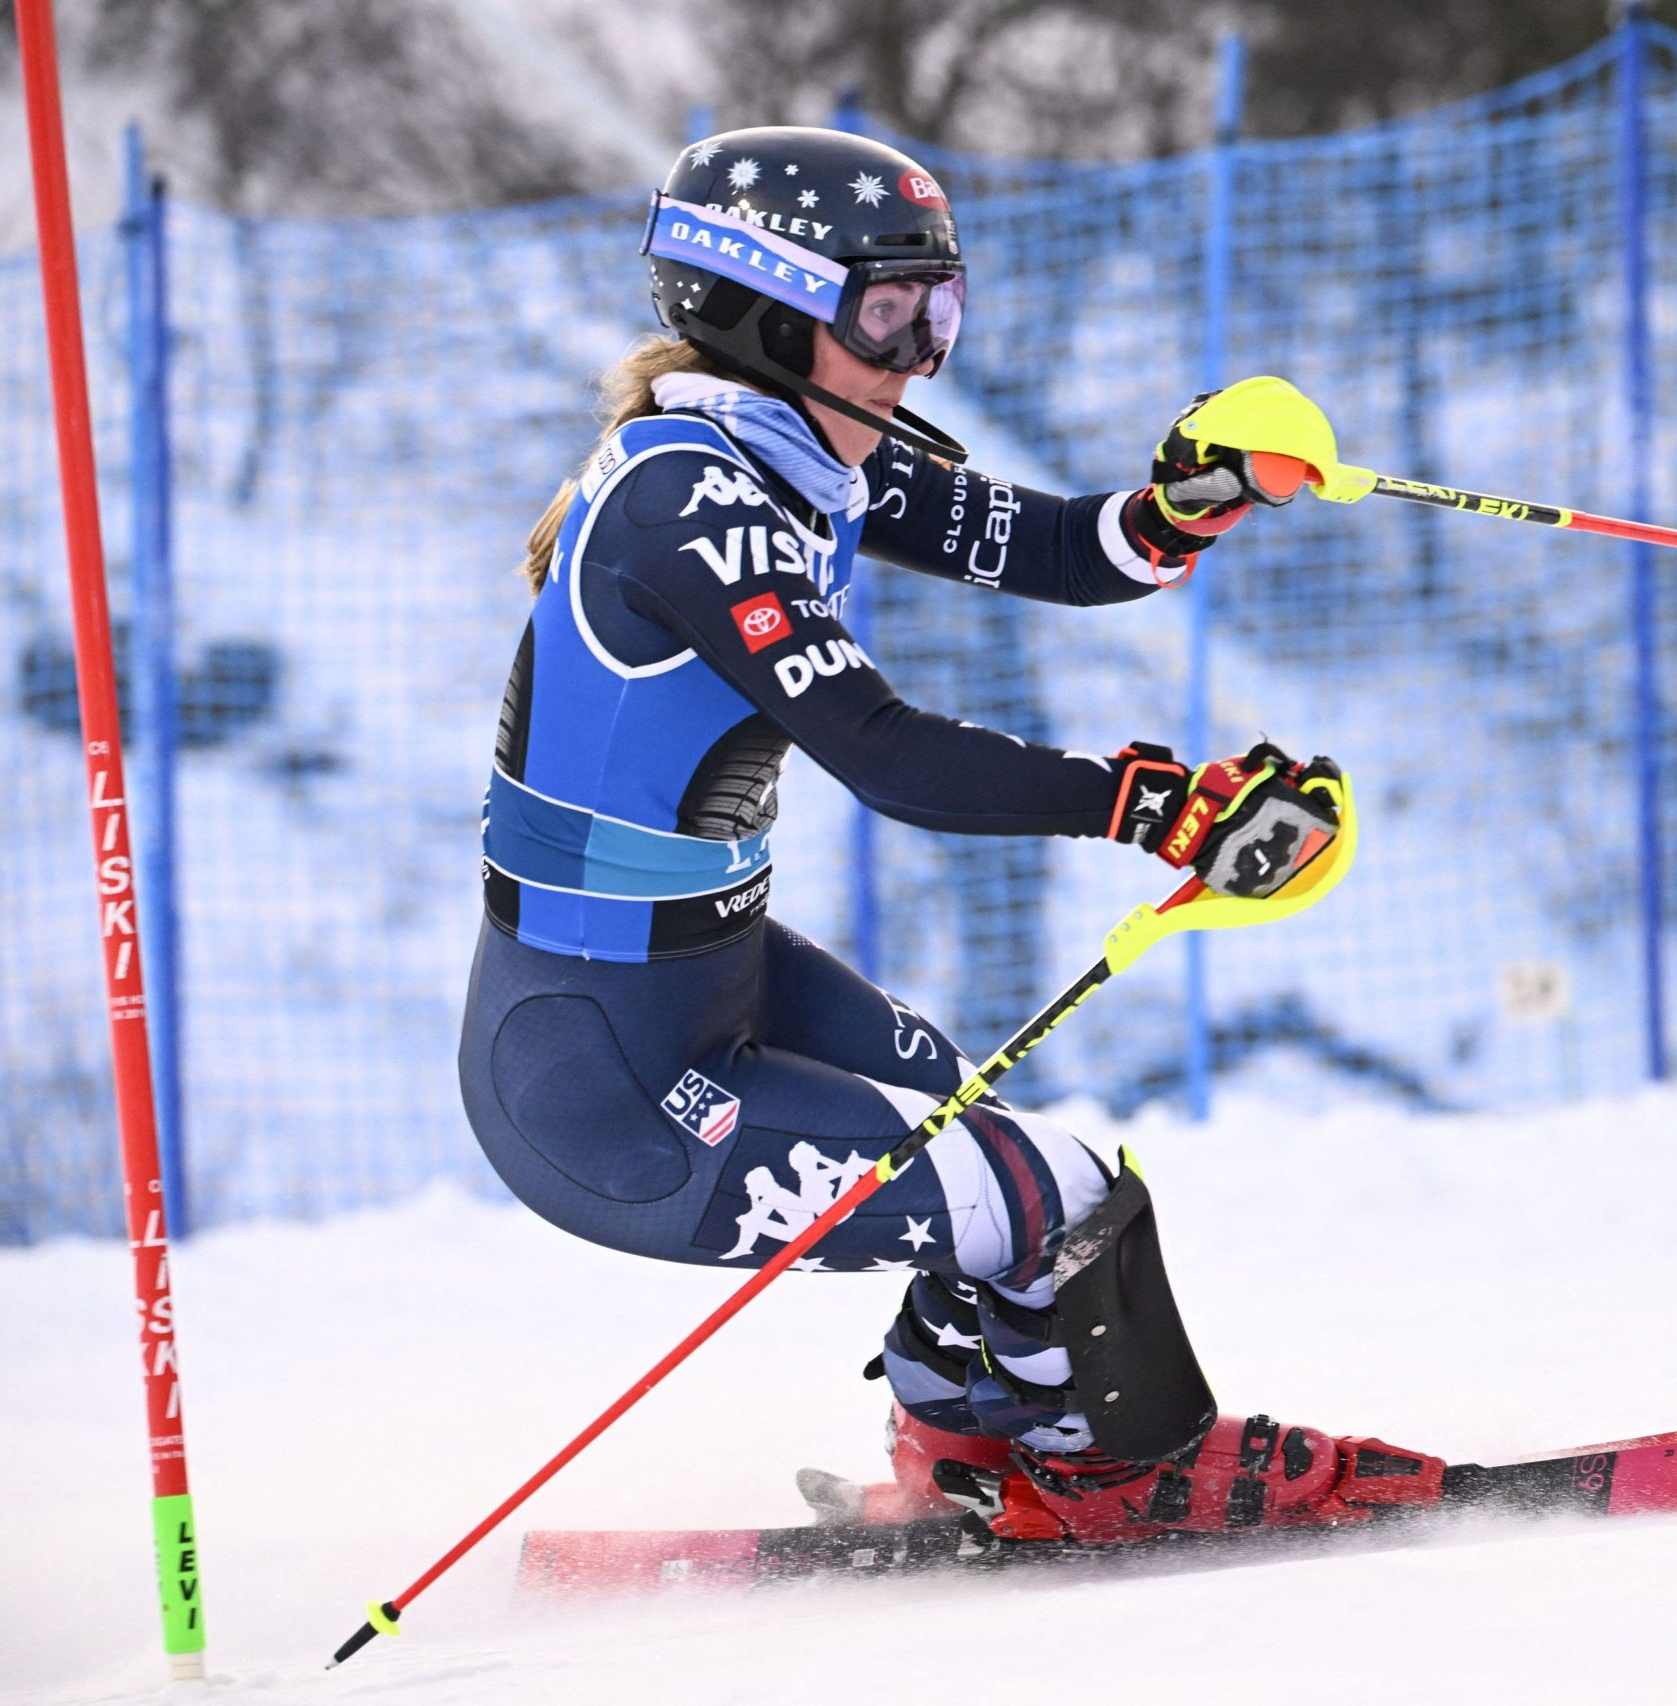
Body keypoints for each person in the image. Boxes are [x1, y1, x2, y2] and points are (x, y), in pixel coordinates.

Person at [458, 127, 1441, 1543]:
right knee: (1058, 1194)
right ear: (759, 308)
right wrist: (1146, 802)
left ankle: (967, 1437)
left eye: (942, 307)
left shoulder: (805, 448)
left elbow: (1055, 549)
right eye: (887, 312)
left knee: (965, 1111)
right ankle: (1138, 1464)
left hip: (705, 978)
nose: (923, 349)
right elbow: (883, 751)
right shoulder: (693, 501)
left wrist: (1189, 501)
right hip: (603, 1072)